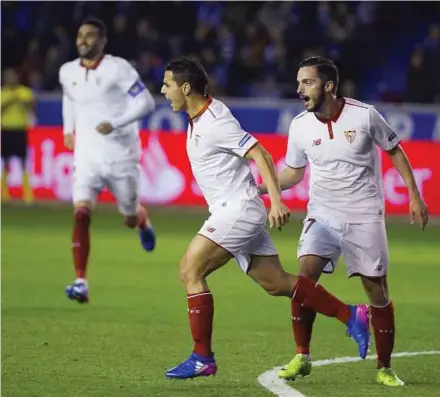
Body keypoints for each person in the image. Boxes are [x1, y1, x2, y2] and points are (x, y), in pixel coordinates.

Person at [160, 56, 370, 380]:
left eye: (167, 85)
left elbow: (261, 153)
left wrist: (275, 200)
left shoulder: (215, 121)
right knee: (277, 284)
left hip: (239, 210)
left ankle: (202, 357)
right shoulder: (197, 120)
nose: (163, 91)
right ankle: (352, 315)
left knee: (190, 270)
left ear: (185, 88)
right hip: (234, 210)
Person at [259, 56, 429, 386]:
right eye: (298, 83)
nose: (299, 89)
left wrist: (413, 194)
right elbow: (293, 172)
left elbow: (395, 150)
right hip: (322, 212)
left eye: (306, 82)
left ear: (329, 86)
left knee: (375, 287)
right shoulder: (299, 125)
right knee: (305, 277)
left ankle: (384, 367)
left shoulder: (364, 115)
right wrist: (262, 187)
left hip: (364, 214)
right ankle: (302, 355)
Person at [59, 17, 157, 304]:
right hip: (87, 156)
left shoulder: (118, 68)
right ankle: (81, 281)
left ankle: (141, 221)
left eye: (90, 36)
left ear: (102, 42)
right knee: (80, 214)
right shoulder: (67, 71)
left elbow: (147, 103)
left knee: (127, 217)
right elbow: (69, 97)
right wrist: (68, 128)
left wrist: (115, 122)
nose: (83, 41)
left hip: (121, 157)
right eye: (80, 35)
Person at [1, 68, 35, 204]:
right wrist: (10, 101)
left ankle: (27, 194)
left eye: (13, 77)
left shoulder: (25, 92)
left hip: (20, 130)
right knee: (5, 162)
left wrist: (23, 102)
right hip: (6, 129)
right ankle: (4, 193)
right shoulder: (2, 93)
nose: (11, 79)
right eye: (8, 77)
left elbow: (32, 106)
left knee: (23, 162)